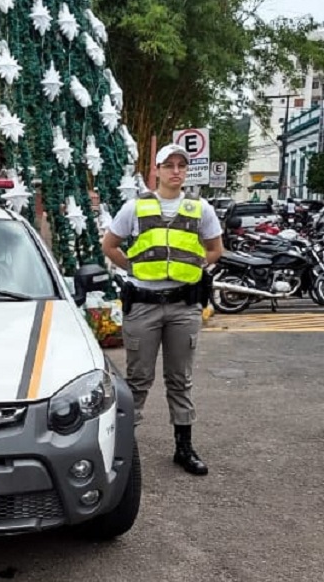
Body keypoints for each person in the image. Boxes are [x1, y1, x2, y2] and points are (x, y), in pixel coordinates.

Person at [102, 143, 223, 476]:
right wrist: (133, 269)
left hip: (183, 306)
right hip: (143, 305)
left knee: (180, 379)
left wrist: (197, 267)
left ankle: (184, 447)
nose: (175, 171)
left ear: (187, 171)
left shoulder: (201, 209)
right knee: (138, 380)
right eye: (168, 165)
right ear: (155, 170)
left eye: (181, 165)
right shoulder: (134, 207)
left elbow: (215, 249)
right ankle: (123, 448)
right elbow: (109, 246)